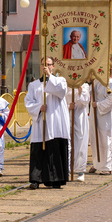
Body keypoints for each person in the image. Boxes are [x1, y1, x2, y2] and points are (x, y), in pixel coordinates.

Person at [25, 57, 71, 189]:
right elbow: (28, 102)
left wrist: (50, 76)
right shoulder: (34, 85)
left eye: (49, 65)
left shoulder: (60, 81)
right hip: (41, 122)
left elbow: (60, 92)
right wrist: (39, 107)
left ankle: (55, 179)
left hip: (56, 122)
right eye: (44, 64)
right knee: (38, 149)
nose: (46, 67)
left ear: (53, 66)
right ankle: (35, 179)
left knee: (55, 149)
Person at [88, 76, 112, 175]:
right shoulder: (95, 81)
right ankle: (97, 163)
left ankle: (106, 166)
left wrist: (98, 104)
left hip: (105, 115)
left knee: (105, 140)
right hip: (94, 113)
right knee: (95, 139)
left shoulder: (109, 83)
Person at [67, 81, 91, 181]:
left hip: (80, 117)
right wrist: (68, 106)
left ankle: (80, 170)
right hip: (67, 115)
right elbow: (61, 101)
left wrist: (79, 87)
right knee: (68, 143)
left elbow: (85, 100)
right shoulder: (65, 85)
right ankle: (67, 168)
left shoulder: (85, 86)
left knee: (80, 143)